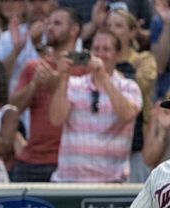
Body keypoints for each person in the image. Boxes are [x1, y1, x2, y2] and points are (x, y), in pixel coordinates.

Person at [49, 30, 142, 182]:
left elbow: (128, 114)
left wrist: (104, 78)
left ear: (117, 55)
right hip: (68, 179)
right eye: (96, 49)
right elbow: (56, 119)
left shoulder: (129, 87)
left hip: (111, 182)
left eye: (106, 49)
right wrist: (63, 77)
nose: (100, 54)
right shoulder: (73, 84)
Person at [9, 6, 83, 182]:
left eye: (57, 23)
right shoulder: (34, 67)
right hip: (30, 161)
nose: (49, 27)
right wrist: (34, 84)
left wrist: (56, 82)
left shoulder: (86, 68)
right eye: (48, 23)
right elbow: (14, 107)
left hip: (69, 162)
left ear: (74, 30)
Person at [105, 8, 158, 182]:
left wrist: (106, 75)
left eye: (118, 26)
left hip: (136, 147)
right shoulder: (97, 59)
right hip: (102, 147)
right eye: (108, 25)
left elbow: (138, 86)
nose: (112, 30)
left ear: (132, 32)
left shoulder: (145, 59)